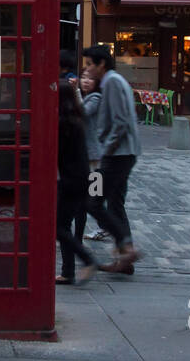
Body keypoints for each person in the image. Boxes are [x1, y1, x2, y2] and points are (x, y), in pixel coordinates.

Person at [81, 44, 142, 274]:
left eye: (89, 64)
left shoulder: (113, 83)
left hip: (116, 155)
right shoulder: (111, 82)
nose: (87, 69)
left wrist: (106, 149)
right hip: (122, 153)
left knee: (93, 201)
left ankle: (126, 247)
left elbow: (121, 121)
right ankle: (125, 261)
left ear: (101, 64)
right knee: (115, 203)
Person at [56, 81, 99, 285]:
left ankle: (87, 260)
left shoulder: (61, 123)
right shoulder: (75, 118)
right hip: (82, 177)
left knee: (60, 227)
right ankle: (67, 272)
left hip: (70, 180)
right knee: (64, 224)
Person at [75, 70, 109, 243]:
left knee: (94, 194)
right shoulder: (88, 96)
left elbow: (83, 112)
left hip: (94, 156)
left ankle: (106, 226)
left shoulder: (95, 98)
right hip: (88, 154)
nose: (86, 81)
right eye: (84, 78)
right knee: (89, 196)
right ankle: (104, 226)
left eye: (90, 79)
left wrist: (75, 91)